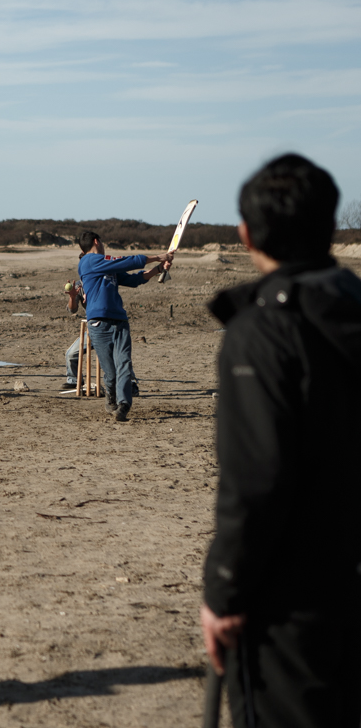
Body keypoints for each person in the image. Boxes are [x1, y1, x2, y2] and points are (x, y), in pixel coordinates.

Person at [200, 154, 361, 728]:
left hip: (293, 601)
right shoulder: (349, 306)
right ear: (331, 227)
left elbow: (256, 480)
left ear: (246, 234)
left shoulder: (262, 332)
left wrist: (224, 590)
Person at [77, 232, 172, 420]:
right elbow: (127, 261)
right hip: (99, 324)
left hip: (120, 321)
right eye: (102, 242)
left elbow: (134, 279)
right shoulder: (88, 261)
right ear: (96, 241)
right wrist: (158, 257)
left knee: (124, 364)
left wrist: (158, 269)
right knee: (111, 372)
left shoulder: (108, 266)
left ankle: (124, 405)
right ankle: (111, 397)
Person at [63, 280, 139, 394]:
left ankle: (130, 384)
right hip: (93, 328)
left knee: (118, 356)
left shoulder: (105, 281)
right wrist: (72, 297)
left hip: (111, 327)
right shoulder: (79, 286)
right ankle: (74, 380)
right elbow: (72, 310)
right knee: (71, 354)